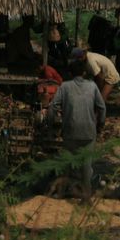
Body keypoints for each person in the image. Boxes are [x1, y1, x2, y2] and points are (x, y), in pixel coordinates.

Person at [46, 58, 106, 199]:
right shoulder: (92, 86)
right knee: (86, 165)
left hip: (70, 132)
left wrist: (50, 126)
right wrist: (100, 125)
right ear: (84, 72)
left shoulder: (65, 86)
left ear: (70, 73)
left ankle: (62, 193)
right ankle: (86, 197)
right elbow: (102, 107)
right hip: (88, 133)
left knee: (68, 162)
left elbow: (52, 107)